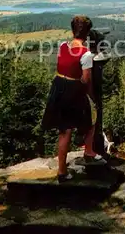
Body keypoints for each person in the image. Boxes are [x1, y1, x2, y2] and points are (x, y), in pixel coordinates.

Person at [42, 15, 106, 183]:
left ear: (72, 30)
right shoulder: (86, 55)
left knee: (64, 132)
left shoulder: (63, 46)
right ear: (87, 33)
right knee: (92, 117)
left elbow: (63, 66)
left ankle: (62, 170)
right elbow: (86, 80)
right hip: (72, 90)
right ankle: (89, 151)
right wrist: (91, 97)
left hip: (58, 87)